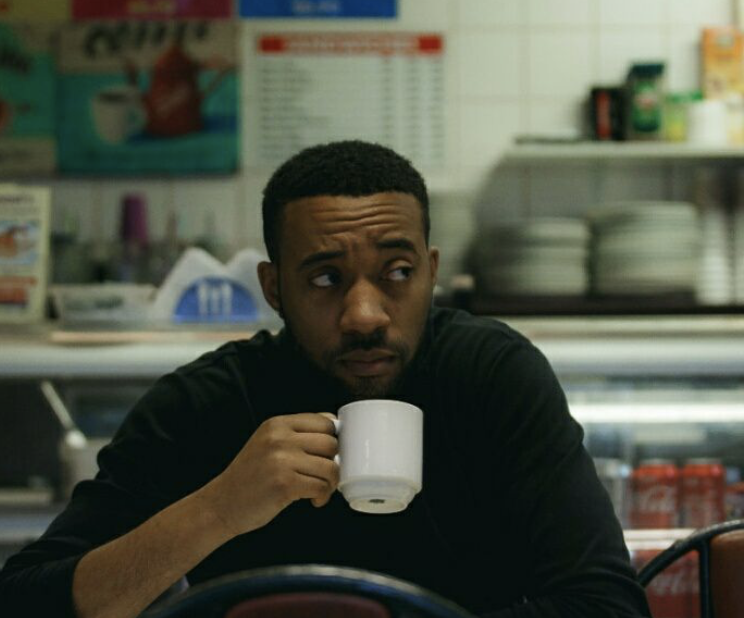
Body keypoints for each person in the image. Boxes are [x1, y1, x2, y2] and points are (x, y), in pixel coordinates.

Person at [0, 140, 651, 618]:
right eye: (324, 278)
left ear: (431, 272)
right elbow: (26, 604)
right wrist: (217, 509)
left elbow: (607, 605)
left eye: (398, 273)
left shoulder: (490, 376)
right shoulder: (207, 403)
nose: (365, 315)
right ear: (273, 288)